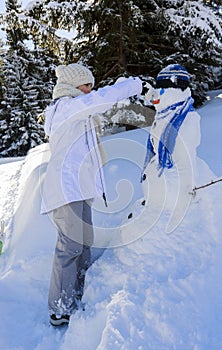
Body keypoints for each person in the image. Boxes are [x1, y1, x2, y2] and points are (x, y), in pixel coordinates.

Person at [40, 63, 151, 326]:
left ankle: (77, 294)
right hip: (66, 190)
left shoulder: (81, 113)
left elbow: (107, 108)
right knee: (70, 246)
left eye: (91, 85)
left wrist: (145, 110)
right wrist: (134, 85)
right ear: (71, 87)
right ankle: (59, 307)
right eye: (86, 85)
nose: (91, 90)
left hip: (79, 189)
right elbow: (101, 100)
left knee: (85, 242)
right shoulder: (66, 109)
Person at [141, 64, 201, 233]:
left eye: (162, 88)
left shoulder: (186, 119)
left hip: (171, 200)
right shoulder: (166, 112)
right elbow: (156, 98)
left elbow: (185, 164)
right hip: (157, 198)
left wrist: (182, 196)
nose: (157, 93)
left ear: (175, 87)